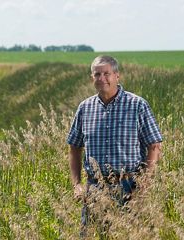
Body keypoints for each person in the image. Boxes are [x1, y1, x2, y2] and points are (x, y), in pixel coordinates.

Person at [66, 55, 162, 234]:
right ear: (92, 78)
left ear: (117, 76)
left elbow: (154, 146)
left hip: (129, 186)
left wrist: (143, 187)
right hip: (94, 188)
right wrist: (77, 184)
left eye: (106, 74)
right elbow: (74, 147)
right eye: (97, 74)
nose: (102, 78)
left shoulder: (137, 105)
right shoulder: (85, 108)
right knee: (92, 235)